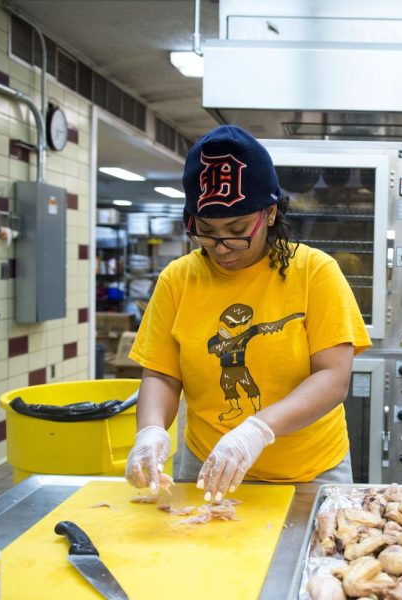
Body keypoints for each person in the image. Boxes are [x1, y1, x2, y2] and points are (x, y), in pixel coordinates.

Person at [124, 125, 371, 502]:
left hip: (307, 471)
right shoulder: (179, 278)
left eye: (237, 230)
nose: (221, 247)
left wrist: (257, 430)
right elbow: (161, 373)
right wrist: (151, 430)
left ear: (270, 214)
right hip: (207, 467)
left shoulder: (314, 272)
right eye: (206, 231)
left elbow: (333, 378)